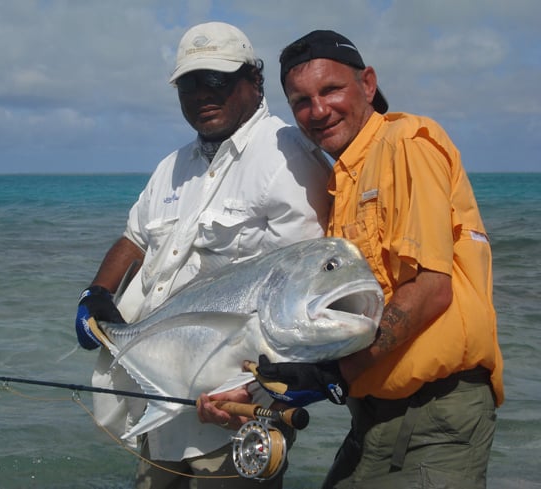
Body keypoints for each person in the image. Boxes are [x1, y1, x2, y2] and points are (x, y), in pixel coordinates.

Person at [74, 22, 331, 489]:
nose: (200, 94)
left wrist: (255, 391)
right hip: (160, 409)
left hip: (232, 416)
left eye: (215, 79)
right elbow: (133, 239)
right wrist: (97, 292)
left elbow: (304, 298)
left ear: (254, 81)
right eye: (188, 83)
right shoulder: (172, 166)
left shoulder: (288, 157)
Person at [251, 29, 504, 488]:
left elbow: (430, 289)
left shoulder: (404, 141)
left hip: (436, 418)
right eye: (301, 101)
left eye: (331, 89)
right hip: (371, 419)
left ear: (367, 84)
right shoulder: (340, 182)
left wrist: (332, 372)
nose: (318, 110)